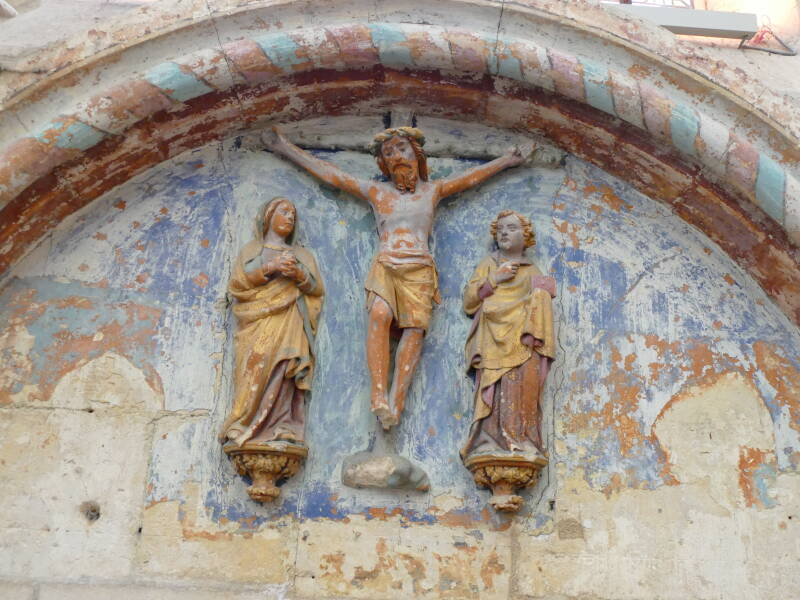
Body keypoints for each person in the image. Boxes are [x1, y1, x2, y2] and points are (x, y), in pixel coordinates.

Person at [263, 126, 532, 429]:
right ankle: (378, 396)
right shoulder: (378, 193)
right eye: (388, 153)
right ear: (383, 163)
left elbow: (470, 178)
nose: (396, 157)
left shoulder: (432, 192)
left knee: (414, 330)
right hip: (387, 263)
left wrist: (507, 160)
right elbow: (333, 175)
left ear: (417, 155)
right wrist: (285, 148)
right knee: (379, 314)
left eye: (401, 149)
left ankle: (397, 400)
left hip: (418, 268)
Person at [219, 197, 324, 448]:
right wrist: (271, 267)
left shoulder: (302, 256)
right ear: (268, 217)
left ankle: (284, 425)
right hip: (256, 322)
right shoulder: (252, 250)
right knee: (254, 365)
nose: (290, 217)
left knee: (286, 366)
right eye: (284, 212)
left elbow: (316, 288)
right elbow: (237, 285)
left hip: (289, 320)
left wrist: (298, 274)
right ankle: (242, 422)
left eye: (293, 214)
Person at [461, 210, 556, 463]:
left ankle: (522, 439)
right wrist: (495, 278)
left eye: (512, 228)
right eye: (501, 228)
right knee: (496, 386)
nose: (504, 232)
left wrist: (542, 295)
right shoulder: (489, 264)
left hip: (523, 341)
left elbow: (539, 306)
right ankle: (489, 439)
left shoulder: (532, 270)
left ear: (526, 236)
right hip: (493, 337)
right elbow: (470, 301)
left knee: (521, 385)